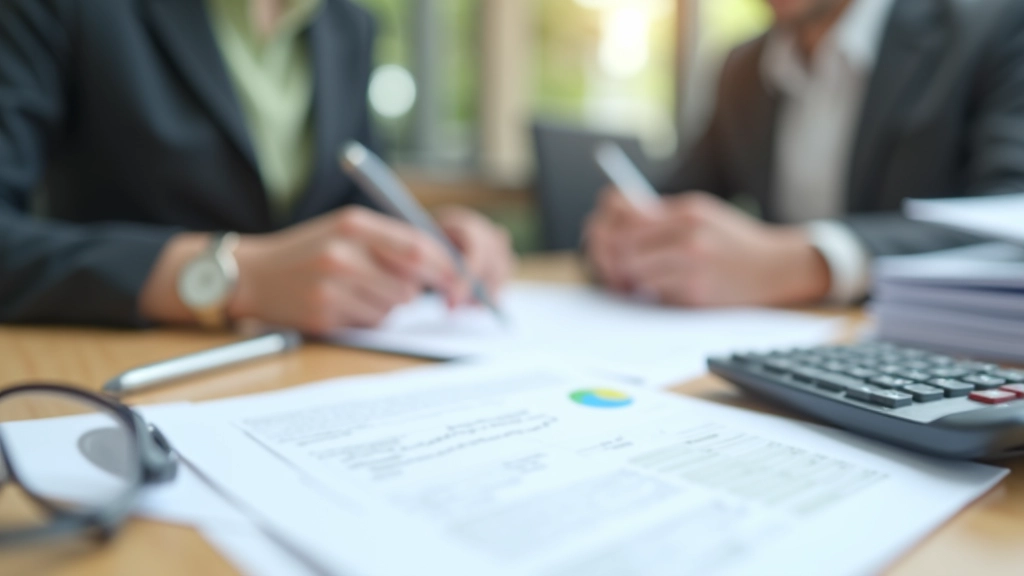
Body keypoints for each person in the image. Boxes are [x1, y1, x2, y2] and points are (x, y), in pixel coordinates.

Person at [0, 0, 514, 334]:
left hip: (304, 370)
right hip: (117, 357)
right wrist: (232, 278)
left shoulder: (348, 25)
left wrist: (420, 245)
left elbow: (350, 200)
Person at [585, 0, 1024, 307]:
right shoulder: (742, 69)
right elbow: (675, 198)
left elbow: (1010, 217)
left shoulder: (993, 26)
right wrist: (625, 237)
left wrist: (801, 263)